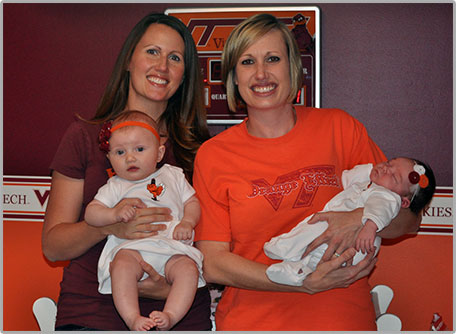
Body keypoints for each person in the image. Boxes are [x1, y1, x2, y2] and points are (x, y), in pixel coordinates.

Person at [193, 13, 420, 331]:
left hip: (340, 318)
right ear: (233, 76)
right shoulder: (213, 155)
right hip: (252, 321)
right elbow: (213, 263)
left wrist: (360, 217)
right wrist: (300, 283)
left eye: (272, 58)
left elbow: (408, 222)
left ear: (293, 67)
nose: (261, 74)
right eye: (247, 62)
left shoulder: (340, 128)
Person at [42, 13, 212, 331]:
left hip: (181, 317)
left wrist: (170, 283)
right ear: (128, 61)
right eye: (152, 51)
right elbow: (53, 246)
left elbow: (213, 246)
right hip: (94, 313)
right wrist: (112, 226)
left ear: (185, 75)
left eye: (175, 58)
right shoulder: (84, 136)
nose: (162, 66)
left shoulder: (202, 150)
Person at [84, 111, 206, 331]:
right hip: (132, 249)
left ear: (159, 153)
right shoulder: (115, 185)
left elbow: (192, 202)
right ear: (110, 157)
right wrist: (113, 215)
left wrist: (187, 222)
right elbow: (91, 213)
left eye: (139, 149)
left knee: (188, 269)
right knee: (120, 266)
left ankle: (170, 315)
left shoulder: (174, 175)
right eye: (120, 152)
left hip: (172, 248)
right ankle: (132, 318)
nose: (130, 158)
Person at [264, 158, 436, 286]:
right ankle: (294, 268)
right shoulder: (369, 184)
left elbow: (380, 211)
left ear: (404, 201)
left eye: (394, 177)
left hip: (352, 243)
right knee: (313, 236)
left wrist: (368, 225)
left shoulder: (386, 196)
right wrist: (370, 170)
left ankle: (288, 253)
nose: (385, 169)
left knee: (316, 234)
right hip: (336, 231)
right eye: (389, 163)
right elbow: (346, 178)